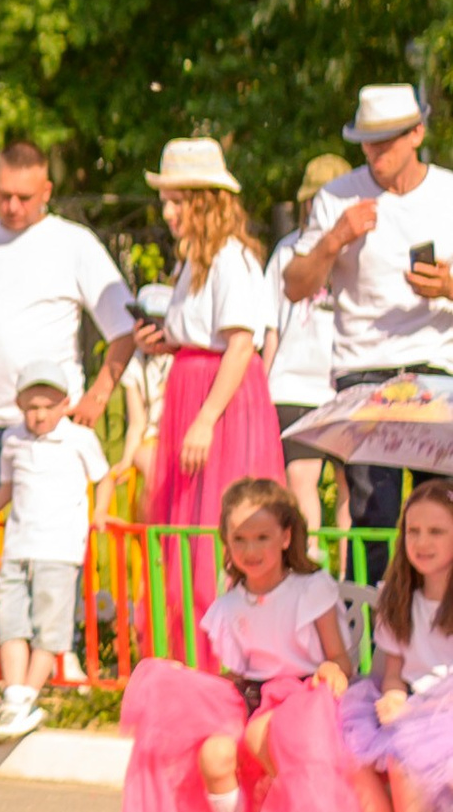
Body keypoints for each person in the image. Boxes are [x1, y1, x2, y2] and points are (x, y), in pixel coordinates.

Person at [117, 477, 366, 812]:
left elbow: (339, 660)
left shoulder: (311, 588)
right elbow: (241, 672)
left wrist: (332, 669)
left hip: (303, 696)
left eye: (263, 537)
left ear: (287, 536)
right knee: (212, 751)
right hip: (251, 696)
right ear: (226, 542)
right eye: (240, 539)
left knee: (264, 738)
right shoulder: (232, 603)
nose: (251, 550)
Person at [281, 85, 453, 571]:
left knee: (438, 513)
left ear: (417, 133)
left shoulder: (447, 193)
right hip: (365, 371)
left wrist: (446, 287)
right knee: (371, 513)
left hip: (436, 367)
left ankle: (435, 633)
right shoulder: (338, 196)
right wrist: (335, 239)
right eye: (366, 142)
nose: (374, 154)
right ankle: (374, 634)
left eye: (386, 141)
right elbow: (295, 286)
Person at [0, 138, 135, 514]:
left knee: (51, 550)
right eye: (4, 195)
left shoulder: (74, 243)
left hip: (53, 428)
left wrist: (100, 394)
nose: (12, 207)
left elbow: (125, 328)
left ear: (46, 191)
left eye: (24, 197)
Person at [136, 137, 284, 642]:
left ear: (203, 201)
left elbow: (241, 346)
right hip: (192, 390)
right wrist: (163, 341)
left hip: (221, 404)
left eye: (177, 200)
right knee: (188, 527)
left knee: (215, 526)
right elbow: (199, 333)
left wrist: (206, 418)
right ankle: (189, 649)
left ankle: (227, 652)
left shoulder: (231, 258)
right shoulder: (193, 263)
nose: (169, 211)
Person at [337, 479, 453, 812]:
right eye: (413, 531)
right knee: (351, 751)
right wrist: (391, 695)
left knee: (407, 751)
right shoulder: (399, 598)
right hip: (416, 704)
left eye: (437, 532)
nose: (421, 542)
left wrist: (414, 708)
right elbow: (392, 672)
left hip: (445, 712)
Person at [0, 372, 111, 743]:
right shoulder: (13, 439)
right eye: (31, 407)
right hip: (18, 546)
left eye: (47, 406)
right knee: (9, 619)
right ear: (19, 406)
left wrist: (99, 512)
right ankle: (14, 695)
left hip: (59, 548)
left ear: (65, 404)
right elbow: (8, 484)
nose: (38, 415)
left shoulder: (79, 439)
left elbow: (103, 477)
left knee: (48, 627)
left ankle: (27, 697)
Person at [265, 155, 349, 535]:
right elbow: (270, 326)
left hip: (345, 381)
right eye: (313, 200)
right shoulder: (288, 250)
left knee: (356, 489)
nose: (318, 208)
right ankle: (311, 567)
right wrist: (263, 386)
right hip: (293, 384)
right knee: (300, 483)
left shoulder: (363, 250)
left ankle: (355, 590)